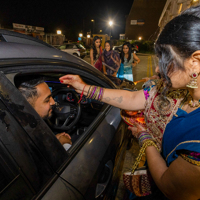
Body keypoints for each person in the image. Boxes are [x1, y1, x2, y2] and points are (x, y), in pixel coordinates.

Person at [59, 5, 200, 199]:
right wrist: (84, 88)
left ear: (195, 60)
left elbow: (172, 187)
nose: (158, 70)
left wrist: (145, 137)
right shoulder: (171, 87)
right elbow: (132, 97)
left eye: (166, 60)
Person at [18, 77, 72, 151]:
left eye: (51, 97)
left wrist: (53, 140)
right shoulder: (23, 140)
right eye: (47, 100)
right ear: (29, 107)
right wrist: (65, 144)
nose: (53, 102)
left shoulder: (26, 126)